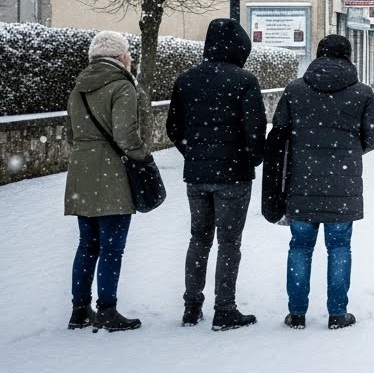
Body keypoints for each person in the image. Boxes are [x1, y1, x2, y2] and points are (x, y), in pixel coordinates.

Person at [265, 35, 374, 331]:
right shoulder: (361, 93)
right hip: (343, 187)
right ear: (348, 57)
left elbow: (279, 131)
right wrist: (351, 149)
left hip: (301, 183)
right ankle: (337, 313)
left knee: (300, 247)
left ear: (319, 56)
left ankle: (296, 314)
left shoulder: (295, 90)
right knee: (340, 247)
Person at [166, 18, 267, 331]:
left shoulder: (186, 80)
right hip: (233, 176)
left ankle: (191, 307)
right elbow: (255, 129)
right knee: (229, 242)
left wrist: (195, 154)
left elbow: (173, 127)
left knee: (199, 239)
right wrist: (250, 159)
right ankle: (224, 308)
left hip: (196, 175)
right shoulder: (244, 81)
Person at [64, 31, 151, 332]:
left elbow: (70, 134)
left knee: (87, 244)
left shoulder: (78, 87)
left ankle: (79, 310)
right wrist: (143, 157)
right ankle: (107, 309)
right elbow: (126, 136)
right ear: (120, 56)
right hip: (112, 173)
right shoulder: (121, 86)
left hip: (81, 173)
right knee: (112, 246)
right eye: (127, 53)